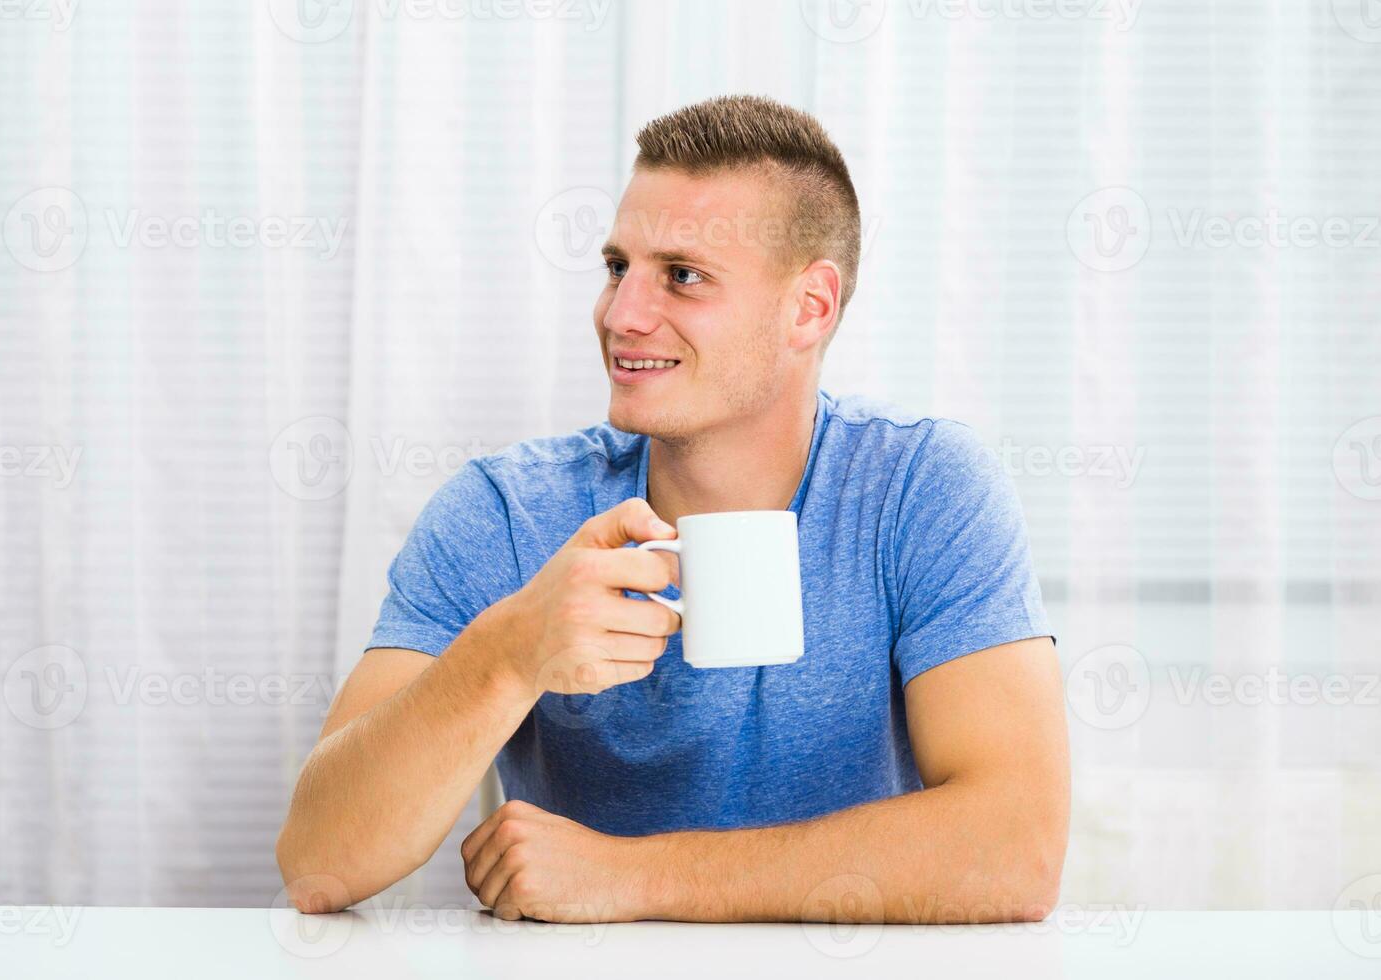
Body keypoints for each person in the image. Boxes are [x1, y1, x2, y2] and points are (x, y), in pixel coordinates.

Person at [276, 94, 1069, 925]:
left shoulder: (922, 490)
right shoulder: (506, 511)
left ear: (809, 308)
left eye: (682, 276)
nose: (621, 316)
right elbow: (320, 863)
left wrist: (633, 876)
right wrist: (508, 654)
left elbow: (1015, 849)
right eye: (619, 267)